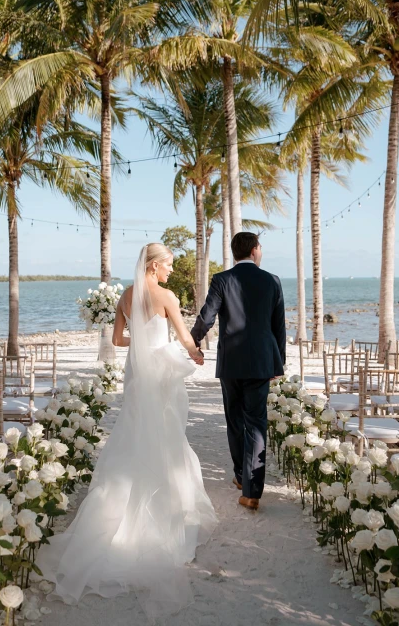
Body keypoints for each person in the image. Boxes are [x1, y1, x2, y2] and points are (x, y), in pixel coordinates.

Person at [37, 244, 217, 624]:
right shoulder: (165, 295)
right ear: (154, 265)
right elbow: (185, 338)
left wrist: (147, 346)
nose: (171, 270)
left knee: (135, 430)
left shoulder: (125, 295)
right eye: (168, 264)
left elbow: (119, 341)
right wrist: (193, 355)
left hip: (138, 373)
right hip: (161, 375)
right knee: (166, 433)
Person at [190, 232, 286, 511]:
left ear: (235, 253)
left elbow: (206, 317)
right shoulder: (272, 281)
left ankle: (241, 476)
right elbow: (278, 326)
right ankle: (252, 491)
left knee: (234, 420)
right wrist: (276, 363)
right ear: (255, 250)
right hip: (261, 363)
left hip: (231, 363)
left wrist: (193, 342)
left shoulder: (222, 279)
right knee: (256, 422)